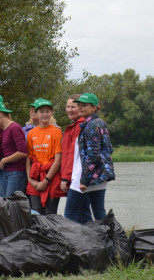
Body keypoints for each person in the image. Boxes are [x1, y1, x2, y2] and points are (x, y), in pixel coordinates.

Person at [75, 93, 115, 220]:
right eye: (79, 105)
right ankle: (107, 238)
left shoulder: (92, 125)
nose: (80, 107)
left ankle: (103, 238)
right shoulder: (99, 123)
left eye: (84, 105)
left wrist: (84, 180)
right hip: (100, 175)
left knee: (72, 212)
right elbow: (109, 149)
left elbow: (93, 155)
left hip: (93, 176)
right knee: (99, 213)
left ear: (94, 108)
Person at [26, 99, 65, 215]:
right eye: (41, 111)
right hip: (35, 177)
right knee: (36, 213)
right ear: (36, 114)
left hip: (51, 178)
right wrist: (30, 179)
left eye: (47, 111)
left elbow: (58, 160)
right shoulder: (31, 133)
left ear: (51, 113)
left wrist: (46, 181)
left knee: (50, 214)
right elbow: (28, 159)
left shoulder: (56, 132)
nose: (45, 114)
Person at [0, 101, 28, 197]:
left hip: (16, 172)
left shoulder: (14, 127)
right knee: (0, 203)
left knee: (11, 205)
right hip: (6, 171)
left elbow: (23, 152)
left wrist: (4, 160)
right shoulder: (4, 129)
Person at [61, 94, 91, 223]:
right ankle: (94, 239)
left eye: (73, 106)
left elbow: (73, 155)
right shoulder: (73, 126)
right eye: (67, 106)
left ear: (80, 108)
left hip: (77, 177)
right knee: (84, 212)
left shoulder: (80, 126)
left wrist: (65, 178)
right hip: (76, 177)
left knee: (70, 215)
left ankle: (74, 242)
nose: (69, 110)